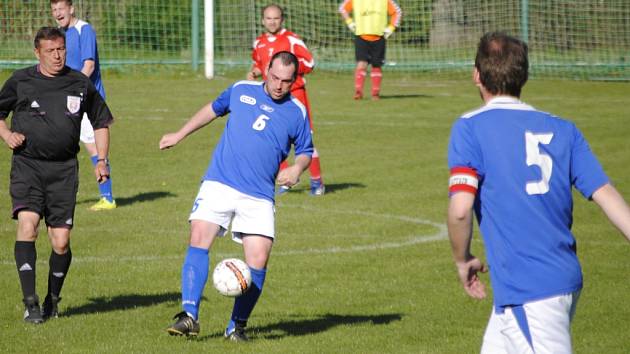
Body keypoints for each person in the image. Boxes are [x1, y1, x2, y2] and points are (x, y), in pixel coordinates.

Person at [447, 31, 630, 353]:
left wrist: (462, 260)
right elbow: (608, 196)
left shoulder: (471, 126)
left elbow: (461, 208)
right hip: (554, 279)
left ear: (476, 74)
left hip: (530, 290)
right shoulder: (564, 128)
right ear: (524, 76)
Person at [160, 51, 312, 341]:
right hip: (221, 181)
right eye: (275, 77)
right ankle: (189, 315)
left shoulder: (297, 111)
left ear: (295, 80)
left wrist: (297, 168)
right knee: (199, 235)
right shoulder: (241, 89)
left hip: (258, 194)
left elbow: (305, 151)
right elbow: (212, 109)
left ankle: (236, 326)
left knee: (259, 258)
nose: (279, 85)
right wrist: (180, 134)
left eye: (286, 81)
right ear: (266, 69)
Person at [0, 27, 114, 324]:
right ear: (37, 53)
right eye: (50, 51)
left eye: (61, 49)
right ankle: (30, 303)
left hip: (64, 170)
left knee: (61, 241)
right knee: (28, 225)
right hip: (28, 165)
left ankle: (52, 298)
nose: (57, 55)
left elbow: (101, 121)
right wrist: (7, 134)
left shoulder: (79, 82)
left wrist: (101, 161)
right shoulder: (21, 81)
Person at [248, 4, 325, 196]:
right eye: (268, 18)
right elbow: (260, 63)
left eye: (275, 18)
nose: (272, 22)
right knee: (274, 137)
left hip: (295, 94)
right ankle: (284, 180)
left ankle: (317, 182)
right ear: (262, 20)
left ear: (282, 20)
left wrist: (290, 75)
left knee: (305, 138)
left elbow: (309, 62)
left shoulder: (291, 39)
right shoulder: (259, 42)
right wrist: (254, 72)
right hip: (270, 95)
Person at [51, 0, 116, 210]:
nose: (57, 13)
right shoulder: (59, 34)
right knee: (61, 144)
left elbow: (89, 65)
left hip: (87, 98)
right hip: (70, 99)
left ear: (71, 9)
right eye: (53, 10)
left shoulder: (84, 29)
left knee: (95, 149)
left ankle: (107, 197)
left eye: (61, 8)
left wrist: (73, 87)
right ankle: (57, 194)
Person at [339, 0, 402, 100]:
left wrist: (391, 28)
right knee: (361, 64)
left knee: (376, 65)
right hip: (361, 36)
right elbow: (343, 8)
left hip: (379, 37)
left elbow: (397, 12)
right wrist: (350, 22)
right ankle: (358, 92)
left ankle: (375, 93)